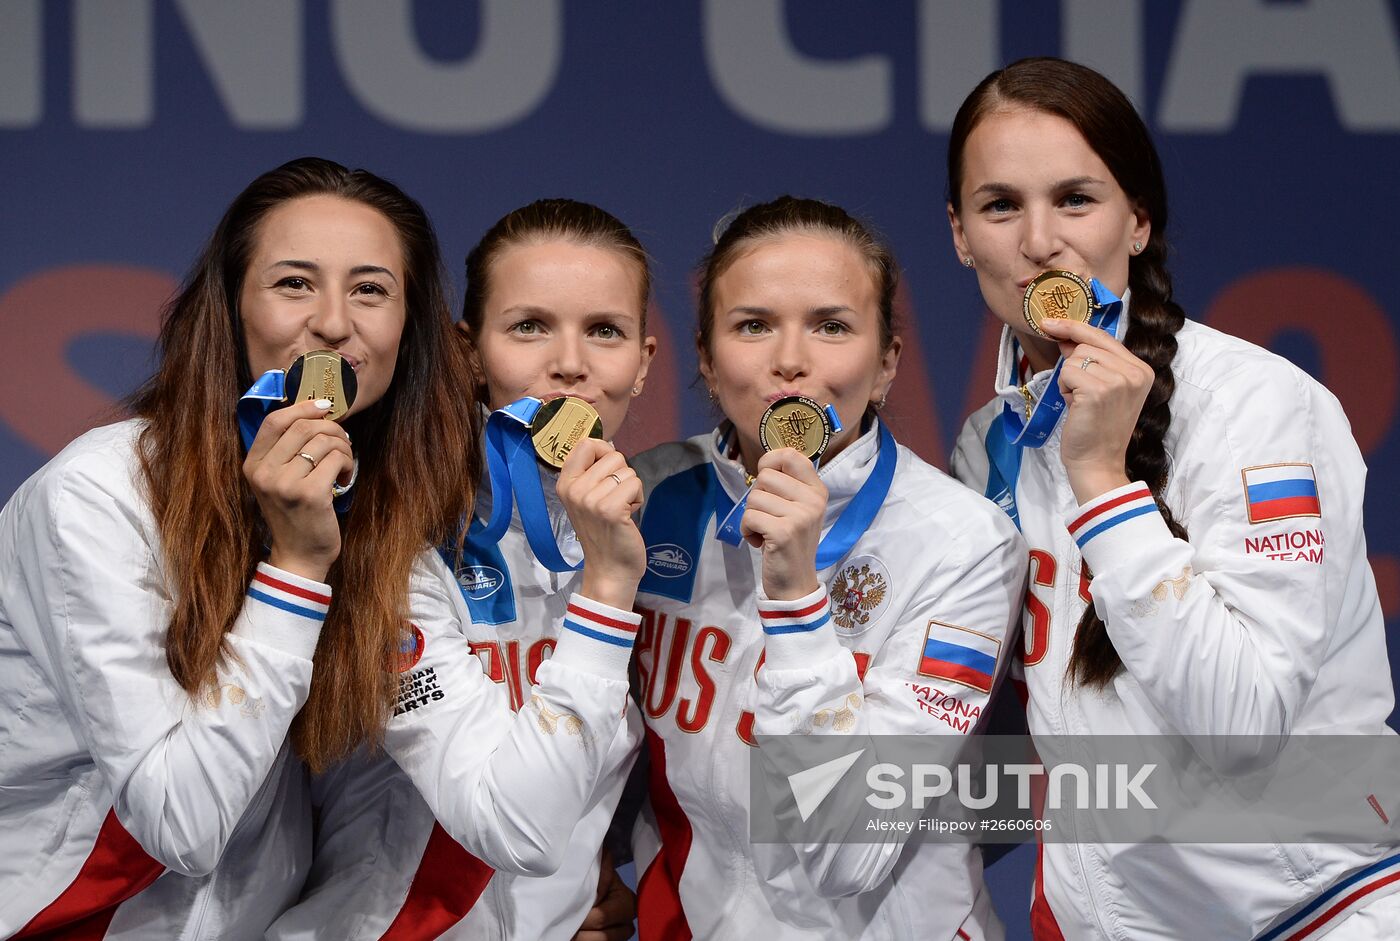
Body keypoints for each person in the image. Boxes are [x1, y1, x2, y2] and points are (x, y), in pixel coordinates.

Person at [947, 57, 1400, 939]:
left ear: (1138, 221)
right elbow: (1007, 731)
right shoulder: (985, 446)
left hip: (1315, 916)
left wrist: (1103, 482)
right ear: (961, 234)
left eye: (1076, 199)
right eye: (1001, 205)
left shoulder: (1256, 404)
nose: (1040, 241)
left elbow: (1242, 721)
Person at [0, 157, 480, 938]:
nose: (333, 322)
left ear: (410, 325)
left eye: (370, 289)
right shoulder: (99, 497)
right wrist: (294, 567)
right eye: (294, 283)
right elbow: (181, 824)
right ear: (229, 308)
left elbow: (388, 789)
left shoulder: (384, 510)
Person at [629, 196, 1026, 940]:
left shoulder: (962, 542)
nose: (791, 359)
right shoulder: (648, 497)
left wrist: (794, 596)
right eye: (753, 325)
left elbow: (851, 851)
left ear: (885, 366)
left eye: (831, 325)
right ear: (709, 363)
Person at [266, 198, 656, 941]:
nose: (570, 362)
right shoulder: (394, 531)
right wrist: (606, 591)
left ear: (644, 361)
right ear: (469, 351)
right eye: (529, 326)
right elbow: (520, 830)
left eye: (604, 330)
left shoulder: (667, 529)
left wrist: (587, 890)